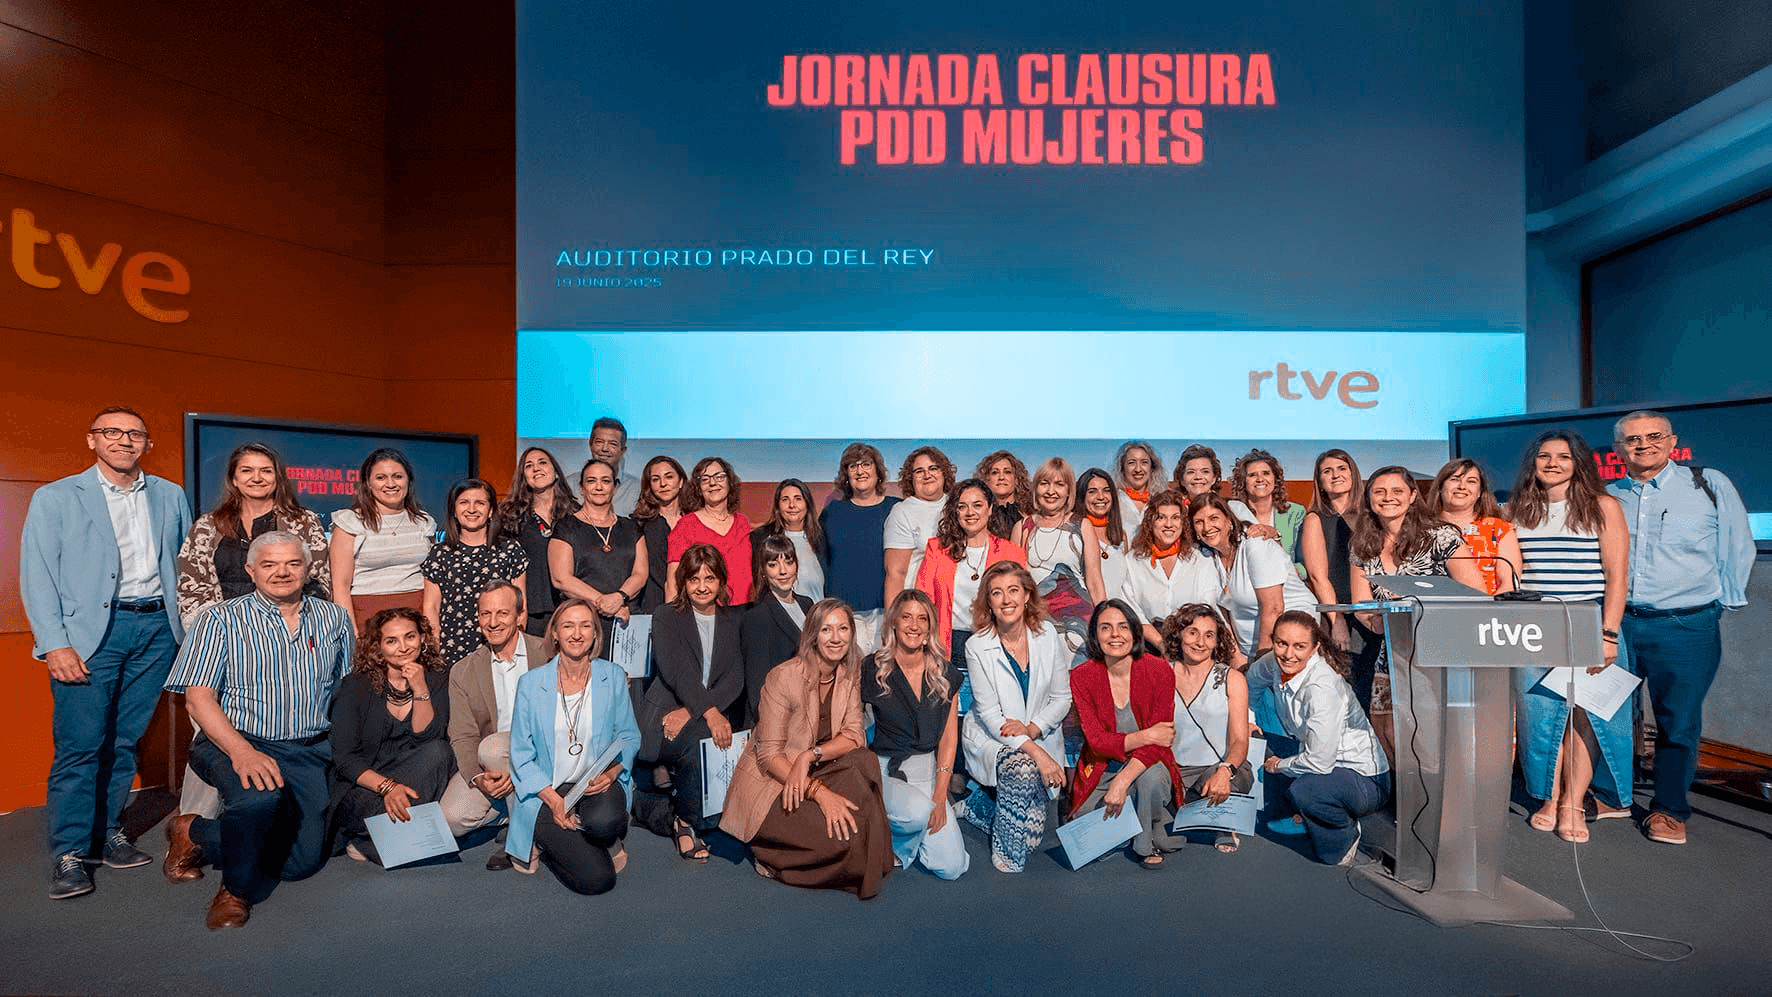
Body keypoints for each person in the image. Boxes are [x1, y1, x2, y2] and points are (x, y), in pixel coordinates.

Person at [22, 406, 193, 899]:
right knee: (80, 746)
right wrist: (54, 643)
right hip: (91, 634)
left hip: (157, 629)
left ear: (146, 443)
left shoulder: (169, 495)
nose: (124, 440)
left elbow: (181, 565)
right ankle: (71, 852)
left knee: (123, 741)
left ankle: (106, 833)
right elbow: (37, 574)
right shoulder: (56, 498)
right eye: (112, 432)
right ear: (92, 440)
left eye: (135, 433)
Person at [161, 532, 353, 929]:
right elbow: (198, 700)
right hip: (235, 740)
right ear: (250, 570)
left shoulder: (333, 618)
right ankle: (236, 891)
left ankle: (193, 830)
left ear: (307, 568)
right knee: (257, 801)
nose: (281, 572)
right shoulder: (218, 619)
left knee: (301, 864)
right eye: (269, 564)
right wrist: (241, 751)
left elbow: (344, 688)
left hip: (306, 748)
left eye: (292, 563)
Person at [1608, 410, 1755, 846]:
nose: (1643, 445)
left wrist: (1714, 608)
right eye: (1631, 439)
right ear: (1618, 450)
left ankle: (1669, 810)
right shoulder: (1607, 494)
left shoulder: (1708, 484)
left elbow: (1737, 546)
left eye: (1653, 436)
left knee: (1679, 722)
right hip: (1617, 624)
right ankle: (1607, 796)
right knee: (1606, 714)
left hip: (1685, 627)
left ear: (1672, 442)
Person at [721, 599, 895, 899]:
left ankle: (859, 843)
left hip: (814, 767)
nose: (836, 637)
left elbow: (855, 735)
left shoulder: (849, 672)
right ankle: (771, 855)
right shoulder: (783, 677)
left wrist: (810, 755)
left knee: (864, 762)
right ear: (812, 634)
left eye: (843, 629)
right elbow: (769, 755)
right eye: (827, 629)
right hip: (775, 783)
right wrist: (820, 793)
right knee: (845, 841)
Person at [1508, 432, 1631, 843]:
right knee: (1544, 720)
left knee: (1587, 719)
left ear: (1578, 462)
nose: (1553, 463)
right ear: (1533, 463)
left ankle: (1573, 802)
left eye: (1563, 456)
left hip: (1589, 620)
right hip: (1536, 626)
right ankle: (1549, 796)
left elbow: (1617, 577)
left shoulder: (1603, 506)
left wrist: (1609, 634)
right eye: (1544, 456)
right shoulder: (1516, 510)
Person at [1348, 466, 1485, 757]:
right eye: (1379, 491)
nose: (1388, 498)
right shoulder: (1362, 544)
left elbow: (1477, 593)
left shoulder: (1440, 536)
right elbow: (1361, 605)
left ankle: (1445, 799)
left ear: (1412, 496)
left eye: (1397, 491)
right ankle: (1410, 802)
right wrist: (1377, 623)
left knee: (1435, 736)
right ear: (1369, 498)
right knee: (1389, 734)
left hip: (1441, 651)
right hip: (1393, 652)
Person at [506, 599, 640, 894]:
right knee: (598, 881)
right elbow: (520, 755)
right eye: (568, 626)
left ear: (595, 634)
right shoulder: (531, 684)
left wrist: (613, 772)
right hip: (547, 791)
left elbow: (630, 736)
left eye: (585, 626)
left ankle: (595, 836)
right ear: (554, 633)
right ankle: (544, 840)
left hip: (595, 783)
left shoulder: (613, 676)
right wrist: (556, 803)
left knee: (605, 823)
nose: (576, 634)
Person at [960, 562, 1073, 873]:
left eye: (1013, 590)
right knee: (1023, 769)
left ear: (1027, 596)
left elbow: (1062, 699)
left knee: (1033, 838)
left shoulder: (1048, 633)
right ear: (989, 602)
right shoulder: (977, 646)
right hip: (993, 736)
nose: (1006, 600)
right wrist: (1039, 755)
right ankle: (1008, 854)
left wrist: (1033, 730)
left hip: (1035, 733)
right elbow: (989, 714)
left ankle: (980, 807)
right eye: (997, 593)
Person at [1255, 612, 1391, 865]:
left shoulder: (1323, 689)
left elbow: (1319, 763)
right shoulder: (1273, 663)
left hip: (1365, 779)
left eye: (1299, 646)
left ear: (1315, 647)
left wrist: (1278, 765)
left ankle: (1344, 837)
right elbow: (1252, 680)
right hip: (1322, 762)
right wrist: (1250, 719)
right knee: (1262, 740)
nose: (1288, 654)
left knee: (1306, 792)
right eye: (1281, 643)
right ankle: (1302, 815)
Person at [638, 544, 744, 861]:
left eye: (709, 578)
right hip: (663, 719)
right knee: (701, 735)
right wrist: (709, 713)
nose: (701, 587)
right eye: (694, 579)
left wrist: (695, 711)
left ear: (721, 581)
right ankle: (683, 821)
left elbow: (735, 678)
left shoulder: (733, 620)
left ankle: (651, 807)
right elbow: (677, 672)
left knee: (712, 735)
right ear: (683, 582)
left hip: (694, 714)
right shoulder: (666, 616)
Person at [327, 608, 456, 865]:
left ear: (422, 638)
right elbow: (345, 758)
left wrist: (420, 687)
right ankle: (380, 838)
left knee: (440, 752)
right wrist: (388, 787)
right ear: (378, 647)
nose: (404, 647)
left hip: (413, 779)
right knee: (437, 844)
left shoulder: (437, 678)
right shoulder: (356, 685)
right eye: (391, 641)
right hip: (365, 785)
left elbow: (427, 738)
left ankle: (375, 841)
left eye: (410, 637)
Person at [438, 581, 548, 868]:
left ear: (520, 616)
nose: (493, 622)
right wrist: (477, 779)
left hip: (542, 756)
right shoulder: (463, 671)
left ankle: (524, 838)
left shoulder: (549, 655)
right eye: (485, 614)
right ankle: (514, 810)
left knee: (492, 747)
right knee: (451, 819)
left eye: (502, 613)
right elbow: (462, 736)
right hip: (495, 766)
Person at [863, 590, 970, 879]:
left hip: (928, 775)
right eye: (906, 617)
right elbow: (853, 724)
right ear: (894, 623)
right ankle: (892, 834)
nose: (914, 625)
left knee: (952, 867)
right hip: (886, 771)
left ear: (930, 627)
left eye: (922, 618)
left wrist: (940, 796)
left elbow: (949, 740)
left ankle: (900, 832)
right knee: (917, 814)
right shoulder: (873, 667)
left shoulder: (945, 673)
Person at [1068, 600, 1183, 867]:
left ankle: (1144, 841)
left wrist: (1122, 783)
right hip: (1103, 765)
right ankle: (1154, 820)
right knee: (1083, 822)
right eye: (1105, 628)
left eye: (1122, 627)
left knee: (1150, 781)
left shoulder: (1159, 670)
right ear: (1095, 635)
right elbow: (1096, 742)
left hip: (1149, 762)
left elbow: (1160, 742)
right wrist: (1146, 735)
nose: (1115, 635)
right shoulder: (1082, 676)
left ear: (1134, 632)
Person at [175, 442, 329, 628]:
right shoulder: (207, 526)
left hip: (287, 628)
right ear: (234, 479)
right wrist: (212, 631)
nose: (257, 478)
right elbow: (191, 587)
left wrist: (296, 626)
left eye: (266, 471)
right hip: (224, 629)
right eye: (247, 471)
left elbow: (319, 580)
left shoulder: (303, 521)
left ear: (277, 478)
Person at [1162, 603, 1255, 853]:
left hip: (1217, 767)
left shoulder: (1232, 678)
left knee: (1233, 780)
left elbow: (1239, 740)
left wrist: (1225, 771)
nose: (1200, 641)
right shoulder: (1163, 674)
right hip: (1176, 769)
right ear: (1179, 635)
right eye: (1192, 632)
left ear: (1217, 642)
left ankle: (1224, 822)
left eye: (1209, 635)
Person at [914, 478, 1027, 668]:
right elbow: (923, 601)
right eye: (962, 507)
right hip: (950, 650)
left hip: (998, 648)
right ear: (955, 512)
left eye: (977, 505)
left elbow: (1023, 604)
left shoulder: (1011, 553)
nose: (970, 513)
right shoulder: (937, 550)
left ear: (990, 509)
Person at [1192, 492, 1316, 662]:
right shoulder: (1208, 557)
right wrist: (1236, 657)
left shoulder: (1255, 545)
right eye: (1199, 522)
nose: (1207, 527)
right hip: (1248, 651)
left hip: (1289, 644)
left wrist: (1261, 661)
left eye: (1214, 518)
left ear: (1229, 521)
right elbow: (1221, 613)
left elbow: (1273, 608)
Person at [422, 478, 529, 666]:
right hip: (452, 650)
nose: (472, 509)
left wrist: (515, 648)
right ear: (454, 510)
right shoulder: (439, 554)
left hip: (499, 648)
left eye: (480, 503)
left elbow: (521, 606)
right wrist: (435, 650)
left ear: (490, 511)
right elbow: (431, 607)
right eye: (464, 502)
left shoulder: (510, 550)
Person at [329, 448, 436, 629]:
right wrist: (352, 636)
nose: (390, 484)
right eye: (381, 478)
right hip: (368, 619)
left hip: (416, 617)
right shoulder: (350, 522)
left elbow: (432, 579)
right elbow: (340, 587)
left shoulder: (424, 523)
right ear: (368, 484)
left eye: (398, 476)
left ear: (408, 481)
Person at [549, 459, 646, 651]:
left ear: (615, 487)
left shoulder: (631, 527)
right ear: (582, 488)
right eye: (591, 481)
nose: (599, 487)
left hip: (625, 620)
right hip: (582, 625)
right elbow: (561, 579)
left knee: (627, 680)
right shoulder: (566, 527)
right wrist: (603, 602)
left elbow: (640, 574)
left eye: (606, 481)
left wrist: (619, 598)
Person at [1012, 457, 1105, 646]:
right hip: (1036, 621)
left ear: (1069, 491)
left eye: (1059, 484)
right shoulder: (1022, 528)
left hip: (1079, 623)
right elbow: (1015, 583)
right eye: (1044, 483)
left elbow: (1095, 582)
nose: (1051, 491)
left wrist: (1103, 623)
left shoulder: (1082, 526)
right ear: (1035, 489)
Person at [1120, 490, 1222, 650]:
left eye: (1175, 518)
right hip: (1147, 644)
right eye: (1161, 517)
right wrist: (1161, 644)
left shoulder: (1199, 560)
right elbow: (1132, 610)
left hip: (1192, 642)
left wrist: (1183, 645)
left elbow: (1206, 605)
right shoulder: (1134, 560)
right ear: (1150, 522)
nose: (1169, 524)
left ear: (1183, 523)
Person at [497, 446, 578, 636]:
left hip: (570, 608)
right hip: (531, 611)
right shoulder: (510, 515)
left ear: (556, 472)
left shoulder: (575, 514)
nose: (536, 468)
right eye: (529, 466)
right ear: (523, 477)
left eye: (542, 462)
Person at [820, 443, 900, 628]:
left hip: (886, 611)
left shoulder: (896, 509)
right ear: (846, 475)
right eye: (853, 466)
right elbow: (822, 559)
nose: (860, 471)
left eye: (866, 464)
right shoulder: (833, 512)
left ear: (878, 472)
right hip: (842, 613)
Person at [740, 534, 814, 727]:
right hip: (781, 717)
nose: (783, 571)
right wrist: (770, 726)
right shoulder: (757, 617)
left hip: (811, 707)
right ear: (763, 571)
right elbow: (757, 683)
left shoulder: (808, 604)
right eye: (773, 565)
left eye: (788, 563)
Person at [1299, 449, 1364, 652]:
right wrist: (1337, 621)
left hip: (1374, 614)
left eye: (1342, 468)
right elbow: (1318, 577)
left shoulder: (1371, 516)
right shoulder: (1315, 519)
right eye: (1327, 471)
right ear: (1319, 482)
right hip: (1339, 616)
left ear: (1353, 473)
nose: (1336, 475)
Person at [1427, 459, 1522, 596]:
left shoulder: (1498, 529)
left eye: (1471, 481)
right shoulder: (1421, 529)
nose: (1462, 486)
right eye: (1455, 479)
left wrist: (1486, 611)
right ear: (1440, 487)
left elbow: (1508, 584)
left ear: (1479, 492)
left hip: (1487, 612)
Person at [667, 456, 752, 604]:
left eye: (719, 477)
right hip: (705, 614)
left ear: (730, 482)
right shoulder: (686, 525)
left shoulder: (743, 523)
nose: (713, 483)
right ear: (698, 488)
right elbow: (673, 582)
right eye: (705, 479)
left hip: (745, 613)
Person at [883, 446, 956, 604]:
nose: (927, 475)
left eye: (933, 468)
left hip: (955, 606)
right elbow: (896, 573)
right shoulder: (902, 512)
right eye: (919, 471)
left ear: (944, 472)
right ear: (911, 478)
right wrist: (892, 622)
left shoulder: (958, 505)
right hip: (918, 605)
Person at [1227, 449, 1306, 574]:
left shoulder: (1296, 512)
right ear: (1243, 482)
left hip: (1286, 586)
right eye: (1252, 475)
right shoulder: (1232, 513)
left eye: (1266, 473)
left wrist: (1288, 574)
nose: (1260, 479)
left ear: (1275, 478)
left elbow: (1305, 566)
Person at [750, 478, 827, 601]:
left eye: (798, 499)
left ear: (807, 504)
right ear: (777, 506)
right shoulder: (761, 539)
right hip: (779, 618)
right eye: (785, 500)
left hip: (817, 617)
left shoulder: (822, 539)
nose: (792, 505)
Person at [632, 455, 687, 612]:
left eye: (669, 477)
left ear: (681, 481)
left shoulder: (696, 521)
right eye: (655, 479)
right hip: (650, 606)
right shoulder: (638, 524)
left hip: (694, 604)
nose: (663, 484)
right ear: (649, 486)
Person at [1076, 468, 1133, 605]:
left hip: (1117, 614)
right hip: (1085, 615)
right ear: (1082, 497)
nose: (1101, 497)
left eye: (1106, 490)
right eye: (1092, 492)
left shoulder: (1121, 536)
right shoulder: (1075, 533)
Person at [975, 450, 1033, 541]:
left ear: (1016, 479)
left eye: (1007, 472)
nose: (1001, 477)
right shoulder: (977, 516)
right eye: (995, 472)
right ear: (986, 480)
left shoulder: (1031, 512)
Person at [590, 416, 642, 516]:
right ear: (590, 445)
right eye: (599, 442)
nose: (605, 448)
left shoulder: (638, 489)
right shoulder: (570, 486)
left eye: (612, 444)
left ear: (623, 450)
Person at [1112, 441, 1164, 531]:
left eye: (1144, 462)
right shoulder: (1113, 500)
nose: (1138, 469)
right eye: (1131, 463)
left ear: (1152, 468)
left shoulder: (1161, 501)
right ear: (1122, 469)